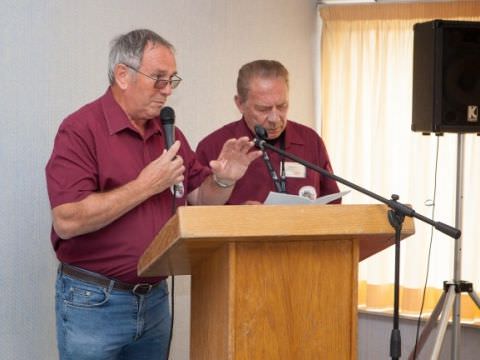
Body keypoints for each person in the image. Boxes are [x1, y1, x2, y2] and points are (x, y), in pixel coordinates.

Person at [45, 29, 260, 360]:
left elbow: (197, 200)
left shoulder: (168, 130)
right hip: (93, 300)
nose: (168, 90)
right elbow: (67, 221)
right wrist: (146, 185)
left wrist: (223, 181)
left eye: (173, 80)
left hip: (155, 300)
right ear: (122, 75)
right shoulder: (80, 129)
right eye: (159, 78)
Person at [196, 59, 340, 205]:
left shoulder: (310, 140)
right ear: (239, 104)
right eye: (263, 109)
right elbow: (197, 214)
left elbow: (333, 204)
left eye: (282, 106)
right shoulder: (213, 146)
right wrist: (238, 217)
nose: (275, 118)